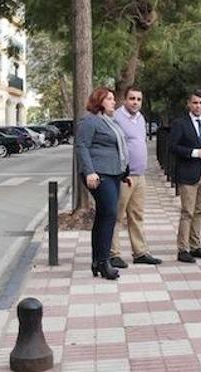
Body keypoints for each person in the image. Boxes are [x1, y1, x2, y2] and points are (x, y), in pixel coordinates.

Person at [75, 87, 131, 280]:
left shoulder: (111, 122)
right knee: (109, 214)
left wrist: (124, 173)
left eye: (113, 99)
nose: (113, 102)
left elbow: (118, 149)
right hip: (98, 173)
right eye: (109, 99)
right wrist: (89, 171)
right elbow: (81, 146)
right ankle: (105, 261)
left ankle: (97, 261)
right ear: (99, 101)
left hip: (114, 173)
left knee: (103, 216)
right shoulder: (89, 121)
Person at [109, 86, 162, 268]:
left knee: (137, 215)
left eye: (139, 99)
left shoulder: (141, 118)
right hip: (124, 176)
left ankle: (140, 252)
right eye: (132, 98)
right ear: (125, 100)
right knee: (117, 215)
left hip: (140, 175)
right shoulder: (116, 117)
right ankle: (113, 253)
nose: (135, 102)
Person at [169, 89, 201, 263]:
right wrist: (195, 153)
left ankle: (195, 246)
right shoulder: (180, 124)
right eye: (195, 102)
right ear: (189, 104)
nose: (198, 106)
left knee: (199, 211)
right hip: (188, 173)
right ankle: (183, 249)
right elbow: (173, 147)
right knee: (187, 212)